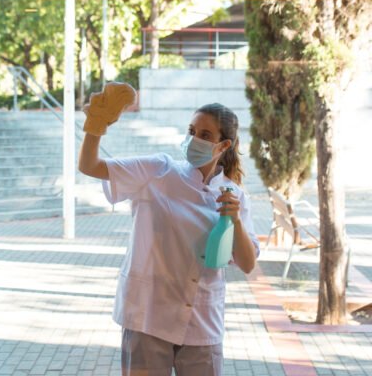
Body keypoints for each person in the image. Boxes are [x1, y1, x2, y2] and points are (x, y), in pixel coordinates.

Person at [78, 83, 259, 376]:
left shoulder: (235, 195)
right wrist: (95, 125)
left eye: (205, 135)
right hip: (147, 316)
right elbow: (89, 165)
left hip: (201, 321)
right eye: (191, 131)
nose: (194, 139)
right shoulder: (157, 170)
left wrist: (235, 219)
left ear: (224, 145)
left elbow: (248, 264)